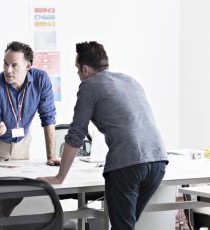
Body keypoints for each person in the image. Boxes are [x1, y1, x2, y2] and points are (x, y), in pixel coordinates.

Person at [39, 41, 168, 230]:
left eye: (77, 69)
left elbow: (76, 134)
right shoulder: (130, 80)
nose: (77, 74)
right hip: (158, 162)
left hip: (127, 165)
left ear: (84, 69)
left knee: (123, 226)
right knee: (126, 225)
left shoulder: (89, 85)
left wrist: (60, 177)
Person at [0, 41, 59, 165]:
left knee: (20, 182)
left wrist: (51, 157)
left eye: (14, 65)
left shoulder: (41, 80)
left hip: (22, 144)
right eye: (5, 64)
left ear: (28, 66)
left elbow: (48, 117)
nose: (8, 70)